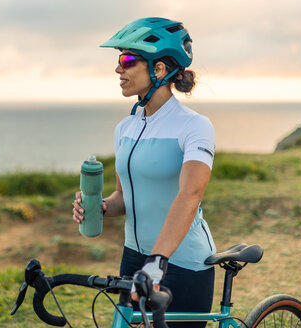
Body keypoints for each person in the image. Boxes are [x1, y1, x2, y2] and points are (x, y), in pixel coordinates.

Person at [72, 17, 216, 328]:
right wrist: (100, 206)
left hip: (180, 263)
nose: (118, 69)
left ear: (160, 69)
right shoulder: (125, 128)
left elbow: (190, 195)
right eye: (118, 60)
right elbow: (124, 196)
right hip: (135, 258)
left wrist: (158, 260)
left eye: (127, 59)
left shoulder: (194, 127)